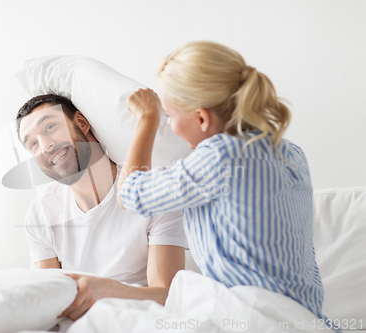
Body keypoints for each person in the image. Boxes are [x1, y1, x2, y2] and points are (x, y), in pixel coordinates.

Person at [117, 41, 334, 327]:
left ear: (202, 118)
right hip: (304, 316)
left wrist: (147, 117)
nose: (168, 125)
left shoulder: (219, 156)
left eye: (170, 116)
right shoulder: (291, 152)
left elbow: (130, 194)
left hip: (253, 314)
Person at [15, 94, 187, 321]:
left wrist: (106, 292)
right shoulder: (41, 213)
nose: (45, 146)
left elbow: (168, 296)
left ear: (82, 123)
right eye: (33, 144)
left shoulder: (151, 192)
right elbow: (48, 302)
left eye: (50, 127)